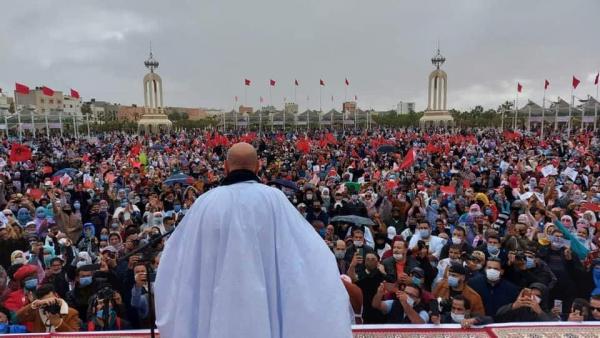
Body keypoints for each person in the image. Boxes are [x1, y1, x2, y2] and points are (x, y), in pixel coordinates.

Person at [154, 143, 352, 338]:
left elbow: (177, 264)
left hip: (216, 309)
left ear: (225, 167)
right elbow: (309, 256)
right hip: (265, 308)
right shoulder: (275, 200)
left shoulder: (205, 204)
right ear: (258, 167)